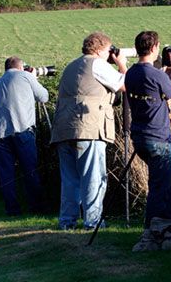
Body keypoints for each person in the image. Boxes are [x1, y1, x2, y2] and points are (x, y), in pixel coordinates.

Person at [51, 32, 127, 230]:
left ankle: (67, 222)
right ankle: (93, 221)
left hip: (63, 129)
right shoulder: (98, 64)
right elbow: (123, 85)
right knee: (93, 177)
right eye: (109, 50)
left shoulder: (71, 66)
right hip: (89, 128)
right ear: (101, 50)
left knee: (70, 180)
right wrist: (121, 63)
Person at [124, 31, 171, 249]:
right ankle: (149, 236)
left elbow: (150, 86)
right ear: (154, 48)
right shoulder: (156, 75)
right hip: (158, 138)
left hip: (140, 137)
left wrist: (161, 74)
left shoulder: (131, 73)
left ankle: (169, 228)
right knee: (159, 187)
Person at [0, 56, 49, 216]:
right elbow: (44, 96)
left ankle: (12, 209)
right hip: (22, 131)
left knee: (6, 175)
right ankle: (36, 207)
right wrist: (33, 77)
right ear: (21, 67)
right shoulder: (25, 76)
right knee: (30, 170)